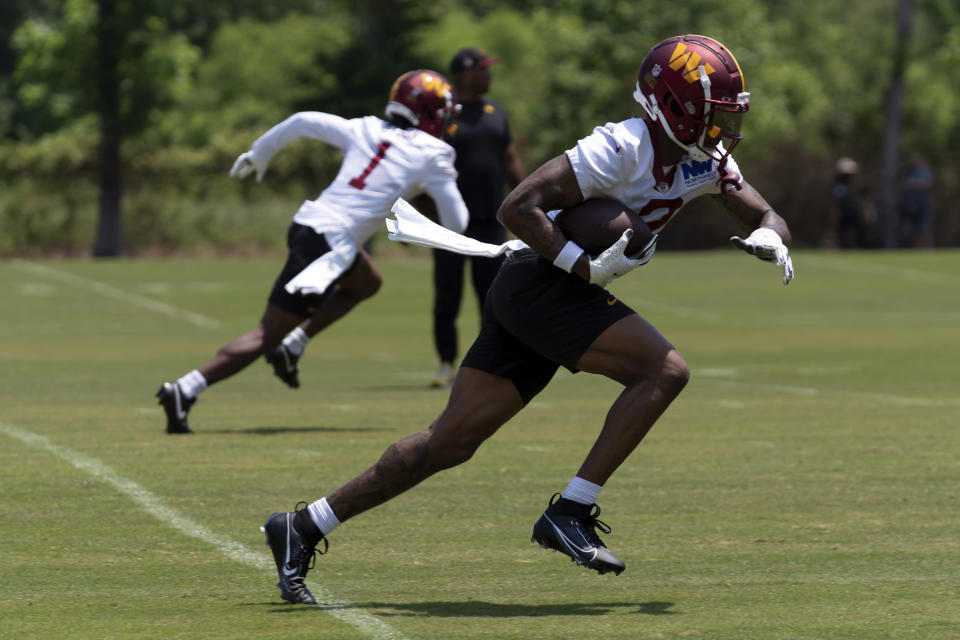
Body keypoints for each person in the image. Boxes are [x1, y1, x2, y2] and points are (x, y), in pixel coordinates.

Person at [260, 34, 795, 605]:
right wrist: (581, 266)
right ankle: (571, 510)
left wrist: (770, 236)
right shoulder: (620, 147)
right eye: (711, 115)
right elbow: (517, 207)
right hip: (545, 285)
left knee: (449, 442)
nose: (721, 130)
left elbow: (766, 212)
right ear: (670, 107)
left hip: (539, 294)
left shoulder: (702, 160)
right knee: (663, 371)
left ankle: (304, 525)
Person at [155, 69, 468, 434]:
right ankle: (185, 389)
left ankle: (295, 342)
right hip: (328, 244)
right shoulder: (434, 154)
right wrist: (429, 193)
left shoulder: (365, 128)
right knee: (265, 335)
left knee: (367, 282)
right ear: (432, 112)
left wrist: (260, 153)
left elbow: (303, 120)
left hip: (314, 226)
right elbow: (457, 222)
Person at [429, 47, 526, 388]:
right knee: (447, 293)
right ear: (465, 74)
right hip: (448, 224)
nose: (488, 75)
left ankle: (489, 363)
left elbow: (510, 158)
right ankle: (445, 363)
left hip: (488, 221)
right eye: (483, 70)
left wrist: (528, 196)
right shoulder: (441, 115)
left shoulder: (494, 112)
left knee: (492, 295)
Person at [825, 157, 869, 248]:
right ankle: (845, 247)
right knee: (843, 232)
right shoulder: (839, 184)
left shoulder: (854, 184)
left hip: (853, 210)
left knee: (859, 230)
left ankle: (858, 246)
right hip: (843, 211)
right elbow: (837, 199)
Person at [899, 152, 934, 248]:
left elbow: (927, 184)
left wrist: (911, 183)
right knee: (913, 230)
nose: (912, 161)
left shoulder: (925, 170)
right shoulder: (910, 171)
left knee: (925, 228)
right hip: (912, 205)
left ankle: (928, 249)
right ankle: (917, 249)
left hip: (923, 204)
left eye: (914, 159)